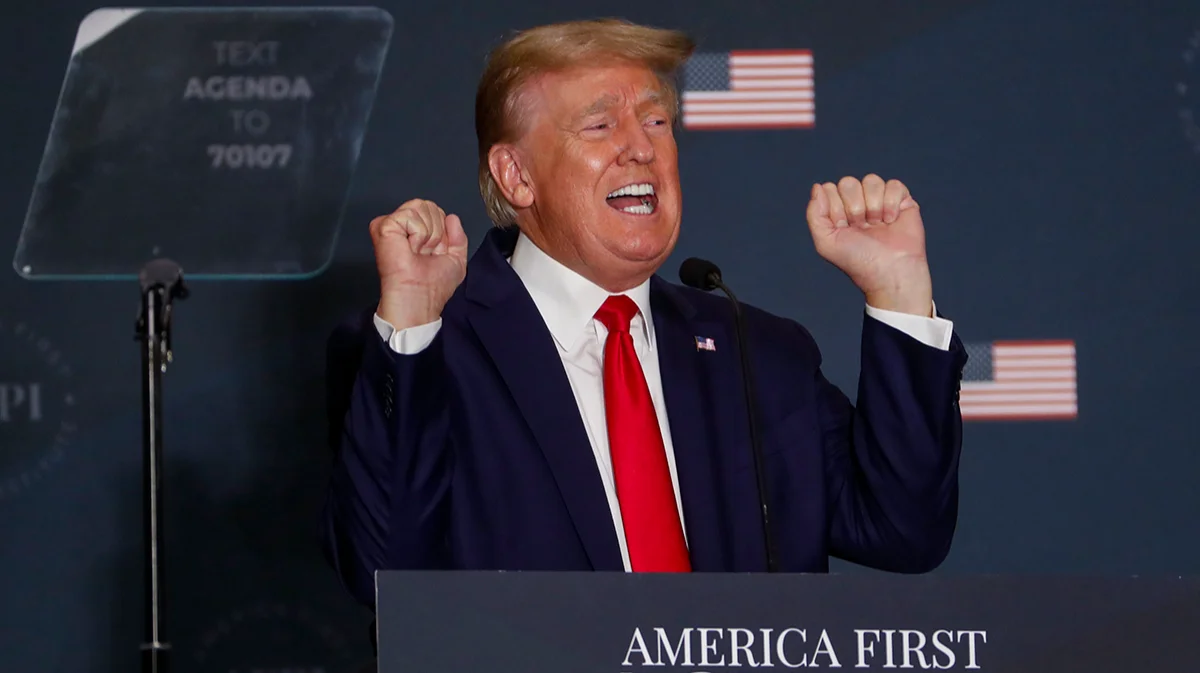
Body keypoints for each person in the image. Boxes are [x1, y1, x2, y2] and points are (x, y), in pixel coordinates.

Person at [321, 18, 968, 608]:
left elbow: (904, 531)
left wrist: (899, 291)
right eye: (601, 126)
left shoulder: (756, 351)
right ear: (516, 175)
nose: (641, 148)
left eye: (657, 121)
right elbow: (386, 574)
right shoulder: (427, 352)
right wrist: (413, 321)